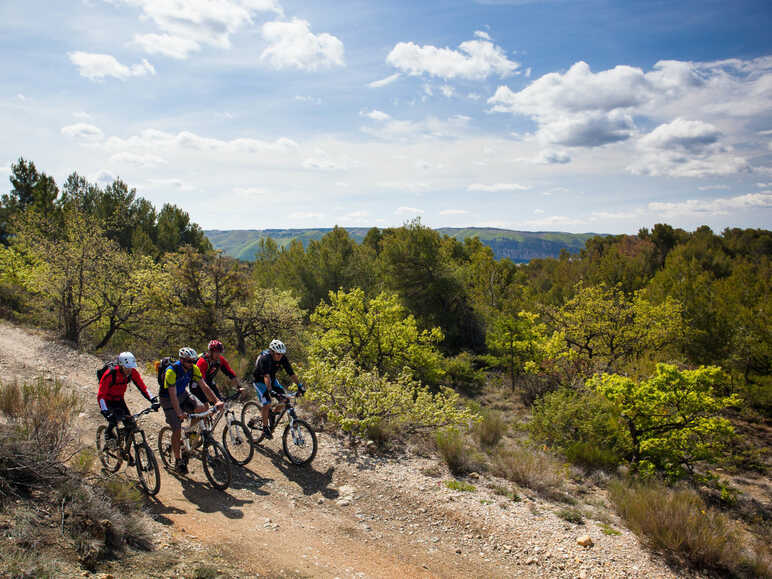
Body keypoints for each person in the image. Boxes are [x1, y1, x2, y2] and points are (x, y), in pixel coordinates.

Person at [160, 347, 224, 474]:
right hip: (168, 398)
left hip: (182, 394)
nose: (191, 364)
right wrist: (178, 412)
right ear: (182, 360)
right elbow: (172, 395)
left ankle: (189, 438)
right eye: (189, 361)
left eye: (193, 361)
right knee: (177, 429)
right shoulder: (171, 371)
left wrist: (216, 400)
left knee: (201, 408)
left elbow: (204, 386)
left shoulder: (193, 368)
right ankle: (178, 460)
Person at [98, 352, 160, 462]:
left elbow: (143, 387)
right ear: (121, 365)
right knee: (113, 420)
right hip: (107, 401)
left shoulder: (132, 373)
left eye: (131, 367)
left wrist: (153, 399)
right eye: (127, 368)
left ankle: (125, 451)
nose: (129, 370)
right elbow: (101, 395)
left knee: (130, 424)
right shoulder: (110, 374)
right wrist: (105, 411)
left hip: (119, 400)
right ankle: (108, 435)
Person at [251, 339, 301, 440]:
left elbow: (291, 372)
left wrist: (300, 385)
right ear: (272, 352)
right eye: (278, 354)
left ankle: (272, 413)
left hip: (272, 379)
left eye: (282, 354)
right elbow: (266, 376)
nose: (280, 356)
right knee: (267, 403)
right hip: (259, 381)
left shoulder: (282, 358)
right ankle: (265, 428)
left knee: (285, 400)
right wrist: (270, 390)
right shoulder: (265, 358)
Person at [193, 339, 239, 406]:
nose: (218, 354)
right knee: (206, 406)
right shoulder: (202, 362)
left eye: (220, 352)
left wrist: (238, 386)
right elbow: (201, 383)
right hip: (197, 383)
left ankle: (212, 415)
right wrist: (212, 399)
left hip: (209, 381)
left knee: (220, 402)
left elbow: (230, 372)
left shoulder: (220, 360)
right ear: (210, 352)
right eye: (216, 352)